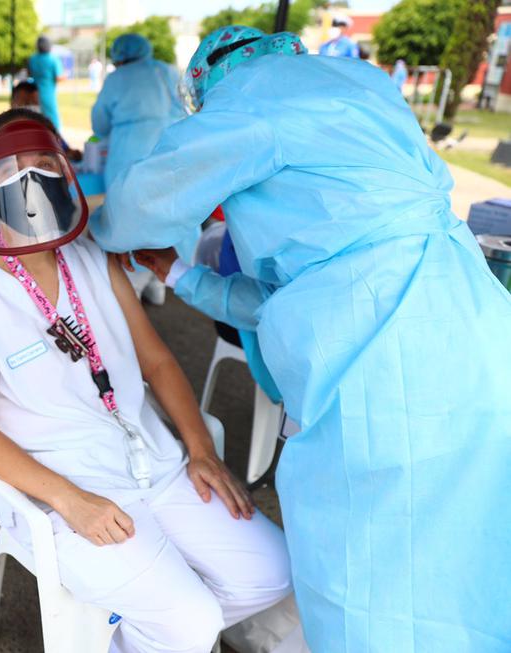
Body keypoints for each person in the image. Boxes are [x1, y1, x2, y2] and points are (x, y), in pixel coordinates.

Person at [93, 25, 511, 652]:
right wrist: (179, 274)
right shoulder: (362, 82)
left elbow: (141, 203)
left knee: (370, 557)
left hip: (386, 364)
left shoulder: (245, 105)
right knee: (474, 539)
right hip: (474, 321)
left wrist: (92, 232)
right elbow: (300, 288)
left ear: (209, 85)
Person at [0, 109, 307, 653]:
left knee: (272, 571)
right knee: (191, 620)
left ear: (66, 170)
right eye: (15, 169)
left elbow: (157, 361)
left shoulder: (90, 257)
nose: (33, 180)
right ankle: (167, 632)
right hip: (66, 491)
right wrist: (71, 500)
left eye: (45, 163)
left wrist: (200, 450)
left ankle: (143, 636)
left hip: (158, 466)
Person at [90, 33, 189, 305]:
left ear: (119, 56)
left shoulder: (116, 79)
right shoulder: (167, 71)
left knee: (128, 219)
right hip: (170, 150)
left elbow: (99, 123)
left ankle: (131, 287)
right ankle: (159, 283)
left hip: (128, 153)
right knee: (168, 214)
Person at [10, 81, 80, 161]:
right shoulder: (4, 132)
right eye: (25, 102)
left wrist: (72, 154)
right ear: (12, 103)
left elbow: (65, 149)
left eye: (34, 103)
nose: (30, 106)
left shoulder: (47, 127)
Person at [27, 36, 64, 129]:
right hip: (48, 94)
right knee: (53, 122)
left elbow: (29, 74)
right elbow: (59, 77)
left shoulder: (32, 59)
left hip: (33, 93)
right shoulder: (53, 59)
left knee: (37, 120)